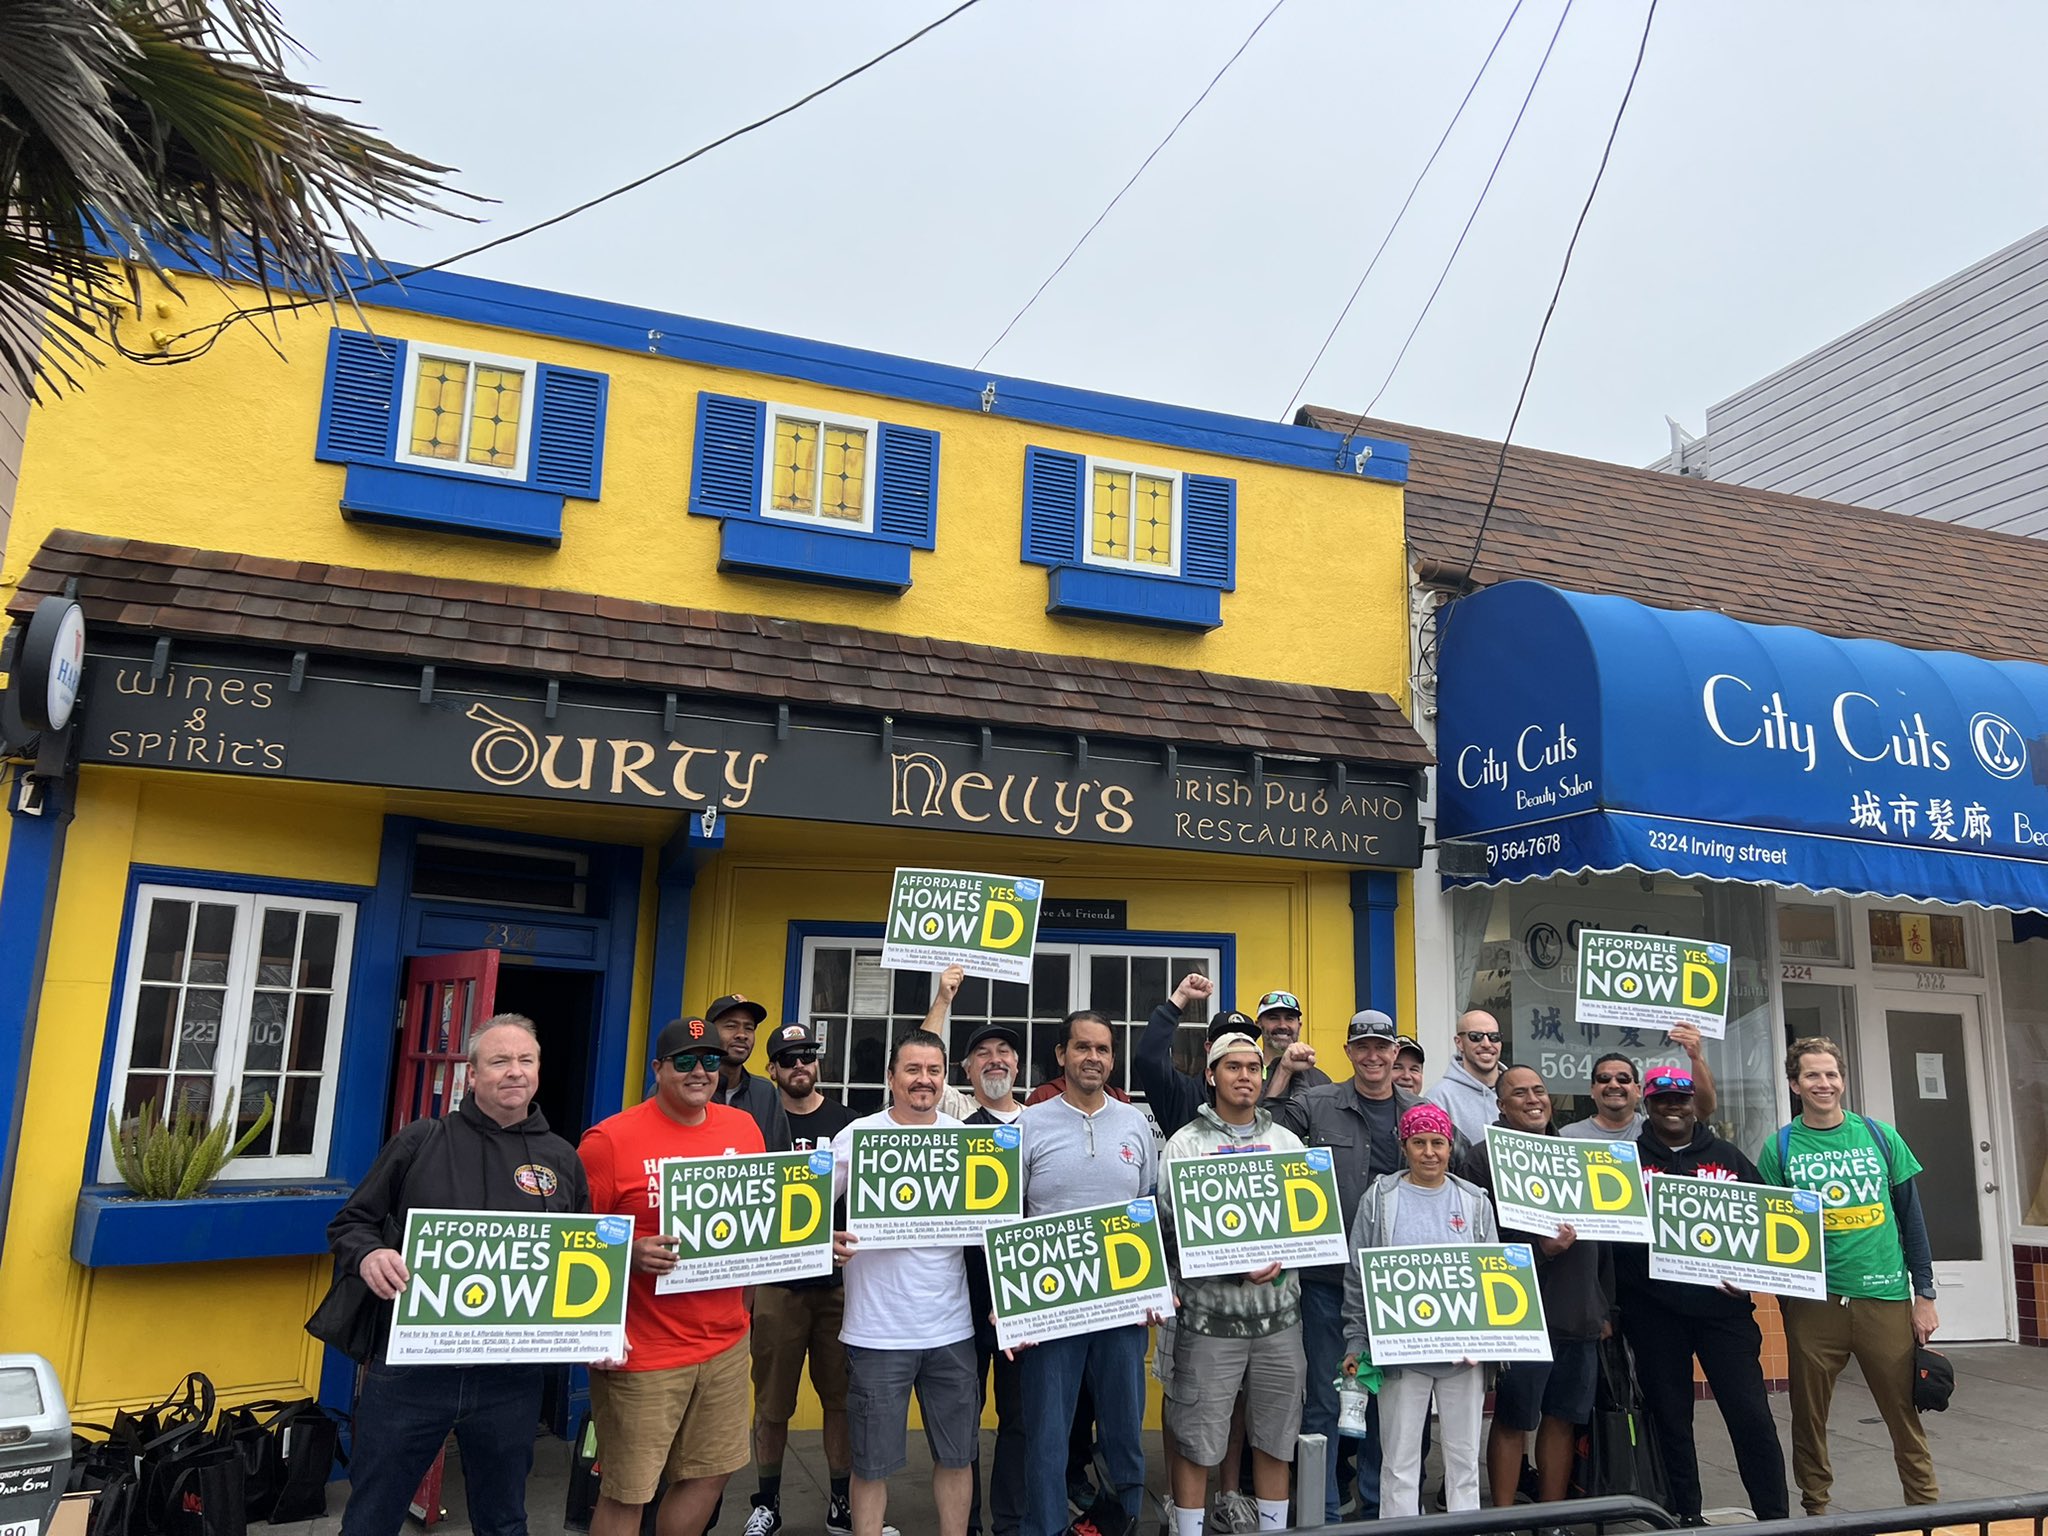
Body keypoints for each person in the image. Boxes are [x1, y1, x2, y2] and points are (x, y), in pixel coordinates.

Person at [329, 1016, 590, 1536]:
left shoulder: (562, 1157)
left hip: (509, 1377)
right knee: (371, 1518)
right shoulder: (422, 1140)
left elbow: (579, 1263)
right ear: (472, 1075)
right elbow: (351, 1223)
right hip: (412, 1370)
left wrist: (595, 1326)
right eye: (499, 1061)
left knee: (504, 1521)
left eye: (525, 1060)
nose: (514, 1072)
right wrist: (369, 1256)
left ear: (538, 1070)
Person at [578, 1019, 766, 1536]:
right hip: (644, 1351)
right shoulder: (608, 1141)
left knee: (714, 1471)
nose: (700, 1071)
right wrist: (628, 1254)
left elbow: (762, 1222)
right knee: (628, 1490)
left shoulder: (742, 1129)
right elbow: (571, 1245)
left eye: (710, 1060)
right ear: (658, 1069)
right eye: (684, 1061)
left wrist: (817, 1246)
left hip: (726, 1343)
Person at [1756, 1036, 1939, 1515]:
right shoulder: (1780, 1147)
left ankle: (1926, 1512)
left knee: (1904, 1415)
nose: (1824, 1083)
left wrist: (1925, 1294)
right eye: (1812, 1075)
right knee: (1808, 1418)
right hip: (1815, 1303)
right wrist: (1787, 1300)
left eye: (1831, 1074)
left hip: (1884, 1297)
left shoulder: (1880, 1136)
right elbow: (1771, 1231)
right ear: (1795, 1084)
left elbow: (1911, 1220)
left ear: (1843, 1080)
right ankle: (1816, 1510)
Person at [1273, 1009, 1433, 1523]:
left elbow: (1451, 1172)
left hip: (1396, 1286)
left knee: (1388, 1403)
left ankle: (1378, 1510)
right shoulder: (1315, 1104)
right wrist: (1279, 1072)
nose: (1372, 1055)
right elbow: (1262, 1138)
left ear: (1394, 1052)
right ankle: (1320, 1516)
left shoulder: (1420, 1112)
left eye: (1381, 1047)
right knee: (1324, 1396)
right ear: (1347, 1052)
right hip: (1326, 1282)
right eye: (1361, 1046)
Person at [1619, 1068, 1788, 1525]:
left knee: (1751, 1417)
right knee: (1671, 1421)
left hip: (1724, 1314)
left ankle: (1774, 1516)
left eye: (1681, 1099)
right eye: (1662, 1100)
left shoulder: (1729, 1158)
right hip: (1654, 1315)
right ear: (1646, 1105)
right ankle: (1684, 1516)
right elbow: (1611, 1239)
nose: (1672, 1107)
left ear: (1694, 1103)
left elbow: (1767, 1225)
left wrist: (1750, 1274)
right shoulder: (1626, 1161)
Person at [1156, 1031, 1307, 1536]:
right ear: (1212, 1076)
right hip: (1208, 1322)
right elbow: (1169, 1228)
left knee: (1274, 1439)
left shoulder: (1287, 1143)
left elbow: (1308, 1225)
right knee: (1197, 1440)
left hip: (1279, 1321)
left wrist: (1284, 1254)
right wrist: (1231, 1261)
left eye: (1253, 1067)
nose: (1245, 1076)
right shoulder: (1185, 1144)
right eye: (1233, 1067)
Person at [831, 1030, 980, 1536]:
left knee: (958, 1456)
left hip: (951, 1330)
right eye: (912, 1070)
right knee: (871, 1464)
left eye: (933, 1071)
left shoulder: (966, 1143)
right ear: (892, 1077)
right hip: (877, 1332)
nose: (923, 1080)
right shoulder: (857, 1137)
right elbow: (802, 1212)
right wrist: (823, 1241)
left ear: (945, 1078)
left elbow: (997, 1227)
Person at [1018, 1011, 1161, 1536]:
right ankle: (1047, 1528)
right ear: (1061, 1056)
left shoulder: (1134, 1124)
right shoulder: (1028, 1124)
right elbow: (1007, 1216)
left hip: (1122, 1303)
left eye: (1102, 1049)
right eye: (1082, 1047)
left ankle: (1122, 1524)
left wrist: (1154, 1288)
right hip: (1049, 1302)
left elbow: (1144, 1205)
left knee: (1124, 1432)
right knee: (1048, 1434)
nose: (1093, 1058)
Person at [1462, 1065, 1614, 1510]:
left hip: (1579, 1315)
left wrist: (1605, 1309)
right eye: (1519, 1093)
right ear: (1500, 1105)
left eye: (1540, 1091)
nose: (1533, 1099)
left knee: (1563, 1420)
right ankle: (1504, 1518)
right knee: (1513, 1420)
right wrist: (1543, 1250)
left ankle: (1552, 1517)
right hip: (1520, 1317)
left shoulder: (1577, 1155)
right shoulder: (1482, 1158)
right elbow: (1477, 1238)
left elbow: (1605, 1239)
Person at [1340, 1102, 1498, 1517]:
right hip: (1400, 1353)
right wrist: (1356, 1341)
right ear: (1404, 1146)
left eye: (1438, 1143)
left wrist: (1488, 1342)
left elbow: (1493, 1277)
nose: (1429, 1152)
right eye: (1419, 1142)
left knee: (1464, 1464)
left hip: (1463, 1354)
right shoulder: (1381, 1198)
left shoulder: (1474, 1201)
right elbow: (1359, 1272)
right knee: (1399, 1463)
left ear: (1450, 1147)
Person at [743, 1022, 866, 1536]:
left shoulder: (849, 1124)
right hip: (777, 1283)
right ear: (771, 1069)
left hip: (839, 1285)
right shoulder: (755, 1124)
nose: (800, 1066)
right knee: (773, 1403)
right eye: (788, 1059)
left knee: (840, 1400)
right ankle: (766, 1501)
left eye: (807, 1057)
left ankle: (841, 1500)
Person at [959, 1019, 1026, 1536]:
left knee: (1020, 1420)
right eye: (983, 1053)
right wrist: (943, 996)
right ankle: (966, 1523)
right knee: (963, 1419)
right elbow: (923, 1051)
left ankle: (1011, 1520)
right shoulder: (953, 1125)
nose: (996, 1059)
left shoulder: (1042, 1123)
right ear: (966, 1070)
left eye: (1005, 1050)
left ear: (1019, 1065)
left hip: (1024, 1292)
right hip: (962, 1293)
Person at [1136, 971, 1259, 1137]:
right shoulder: (1182, 1096)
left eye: (1245, 1040)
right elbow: (1149, 1058)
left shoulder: (1258, 1094)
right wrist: (1179, 998)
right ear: (1209, 1047)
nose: (1236, 1045)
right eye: (1226, 1039)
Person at [1559, 1029, 1717, 1138]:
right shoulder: (1567, 1136)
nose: (1613, 1085)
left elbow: (1703, 1108)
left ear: (1638, 1090)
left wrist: (1697, 1058)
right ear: (1592, 1090)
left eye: (1623, 1079)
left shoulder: (1659, 1130)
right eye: (1604, 1078)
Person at [705, 993, 792, 1150]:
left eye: (749, 1028)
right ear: (710, 1032)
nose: (742, 1035)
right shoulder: (687, 1087)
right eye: (731, 1026)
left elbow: (778, 1159)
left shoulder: (765, 1093)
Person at [1424, 1010, 1505, 1145]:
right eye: (1476, 1036)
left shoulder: (1518, 1091)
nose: (1486, 1044)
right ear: (1459, 1043)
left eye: (1494, 1037)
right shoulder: (1439, 1098)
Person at [1251, 989, 1330, 1102]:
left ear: (1299, 1026)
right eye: (1273, 1018)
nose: (1282, 1025)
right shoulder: (1247, 1074)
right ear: (1258, 1025)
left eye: (1289, 1018)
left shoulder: (1320, 1080)